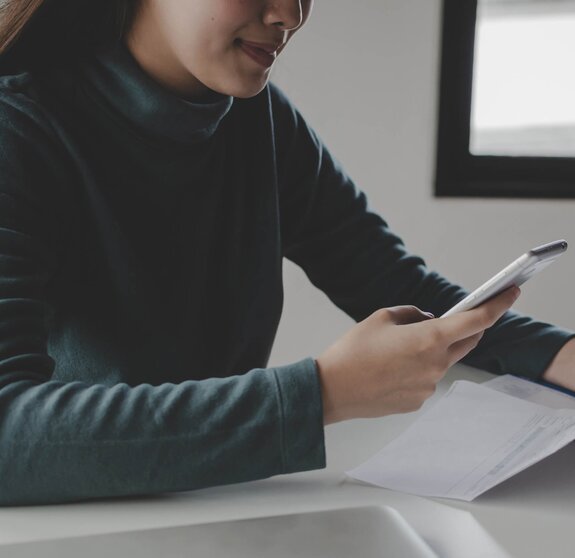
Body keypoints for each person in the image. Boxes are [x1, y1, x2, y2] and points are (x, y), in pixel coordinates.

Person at [0, 0, 572, 506]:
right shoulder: (18, 130)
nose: (290, 14)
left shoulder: (261, 119)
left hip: (217, 506)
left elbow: (394, 283)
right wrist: (323, 394)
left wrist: (561, 354)